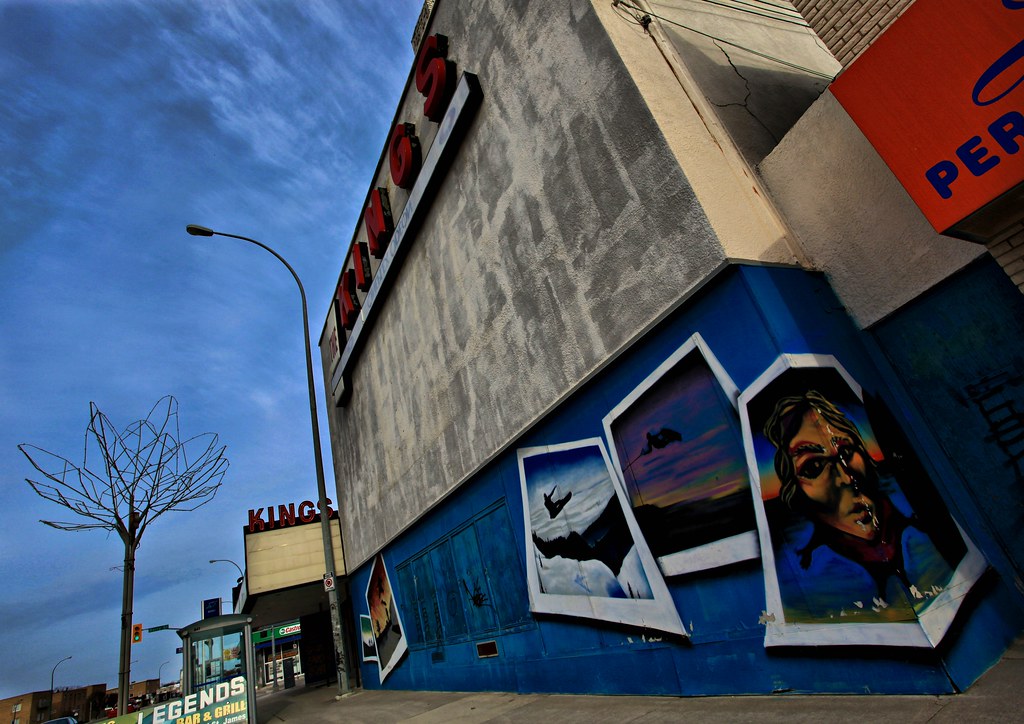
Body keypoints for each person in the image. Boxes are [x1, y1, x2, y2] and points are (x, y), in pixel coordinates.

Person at [763, 390, 916, 601]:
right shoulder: (822, 577)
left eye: (846, 452)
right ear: (795, 489)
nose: (846, 478)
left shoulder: (904, 518)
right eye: (814, 466)